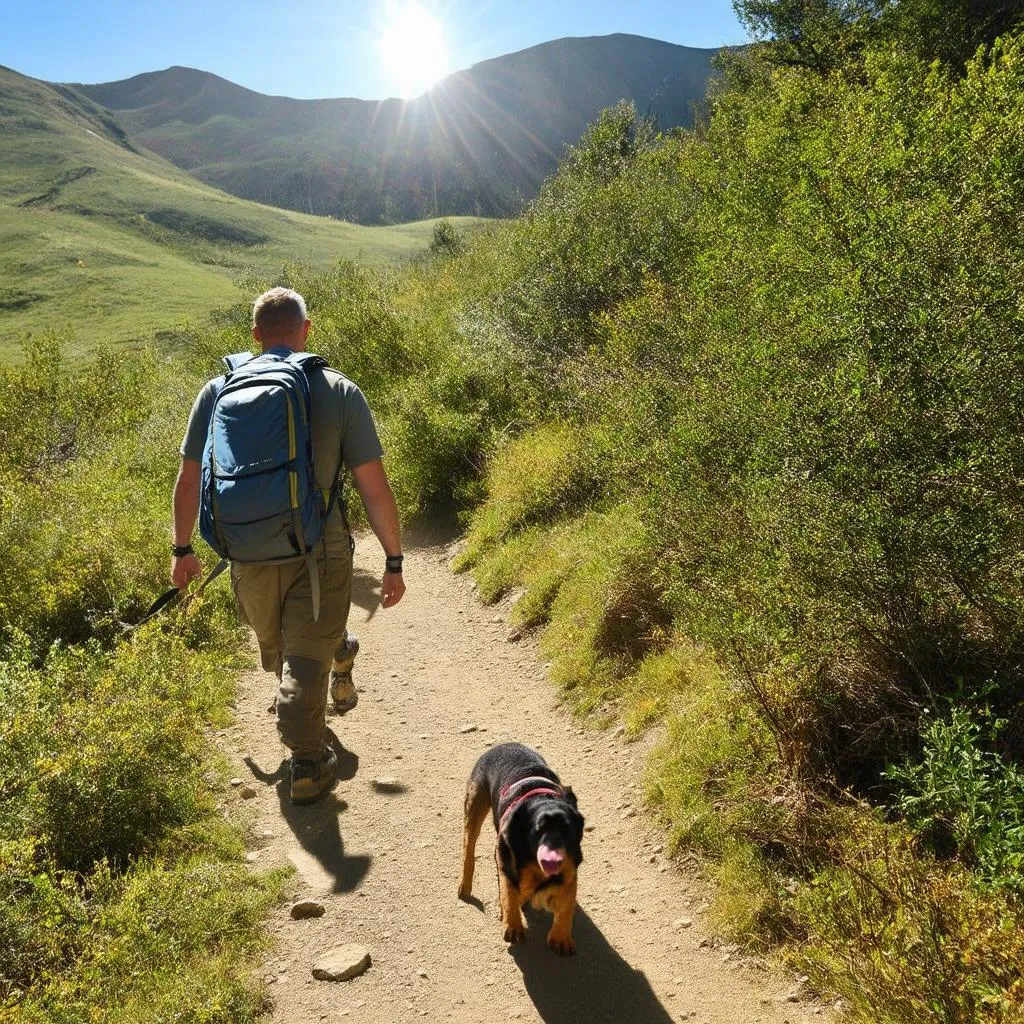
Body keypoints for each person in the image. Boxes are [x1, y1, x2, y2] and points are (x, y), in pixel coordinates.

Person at [170, 287, 406, 804]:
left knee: (285, 651)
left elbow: (190, 481)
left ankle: (325, 664)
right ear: (306, 330)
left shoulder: (217, 391)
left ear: (254, 335)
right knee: (301, 656)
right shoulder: (338, 390)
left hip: (247, 551)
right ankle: (306, 757)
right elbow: (374, 486)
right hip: (320, 547)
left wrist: (182, 551)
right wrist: (393, 560)